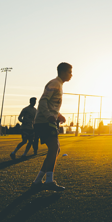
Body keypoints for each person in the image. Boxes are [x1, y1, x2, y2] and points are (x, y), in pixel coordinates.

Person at [30, 62, 72, 191]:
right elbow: (43, 101)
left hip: (46, 121)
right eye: (69, 72)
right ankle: (48, 181)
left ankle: (38, 181)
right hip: (44, 122)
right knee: (54, 148)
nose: (71, 75)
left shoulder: (58, 84)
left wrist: (58, 115)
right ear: (63, 72)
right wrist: (49, 116)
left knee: (55, 149)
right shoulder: (55, 83)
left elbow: (51, 104)